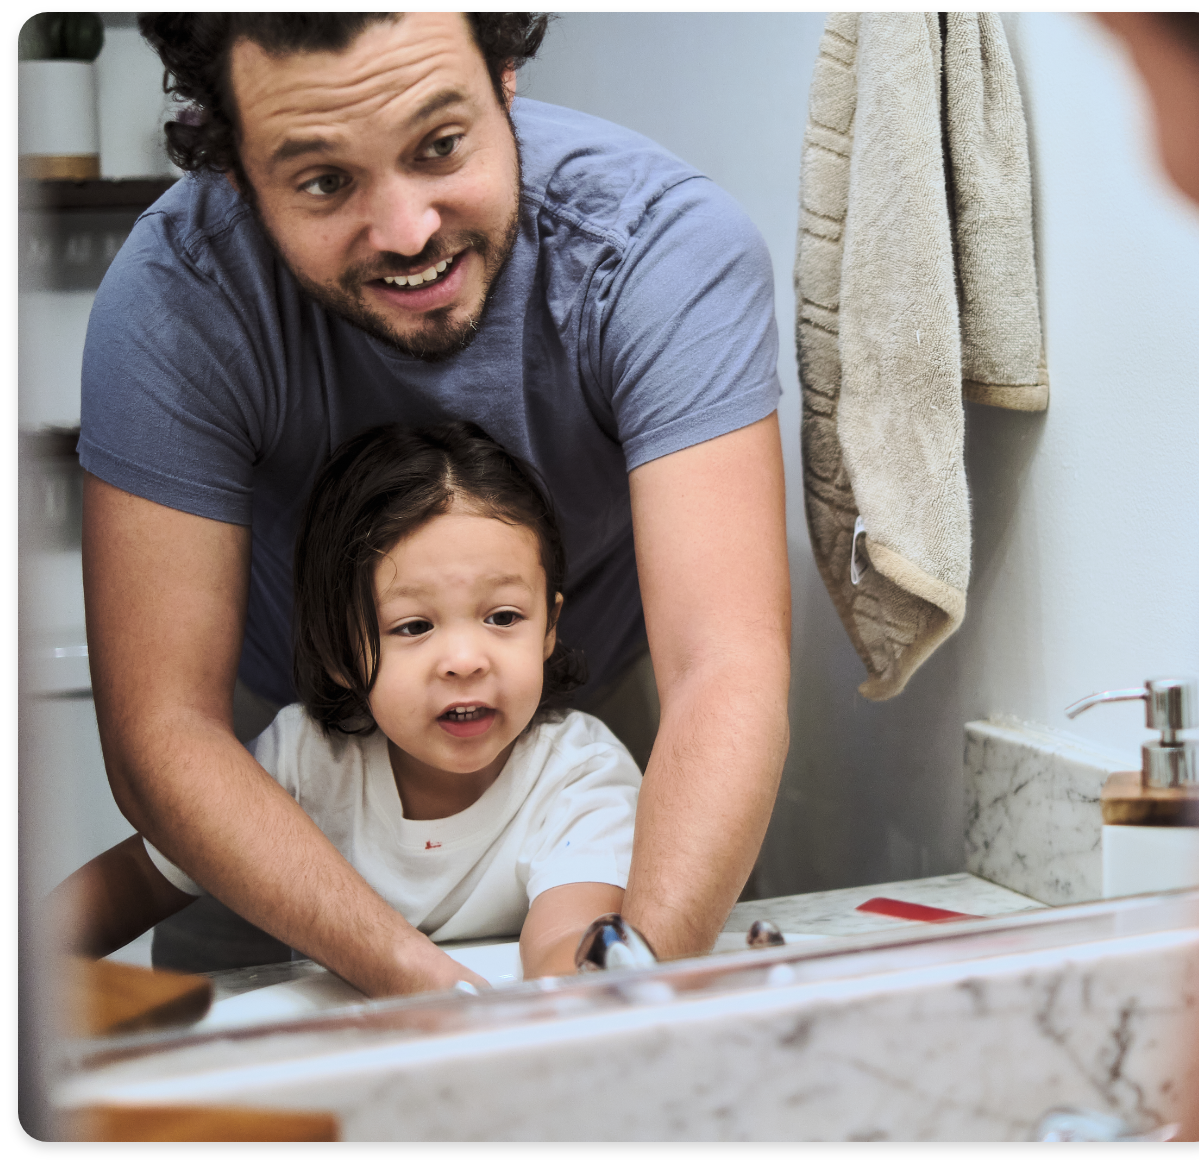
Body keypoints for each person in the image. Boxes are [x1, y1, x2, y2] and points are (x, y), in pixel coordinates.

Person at [79, 10, 790, 994]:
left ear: (503, 79)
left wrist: (632, 993)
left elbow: (723, 665)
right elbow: (165, 734)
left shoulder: (657, 253)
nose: (409, 231)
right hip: (280, 732)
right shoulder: (173, 304)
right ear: (238, 170)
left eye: (441, 145)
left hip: (596, 695)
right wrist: (425, 986)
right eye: (326, 180)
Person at [57, 422, 642, 985]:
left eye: (504, 617)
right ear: (340, 652)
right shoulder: (304, 761)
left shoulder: (578, 772)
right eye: (413, 626)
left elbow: (567, 942)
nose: (466, 659)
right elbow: (139, 875)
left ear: (549, 628)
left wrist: (579, 982)